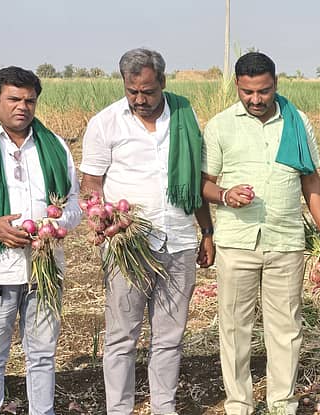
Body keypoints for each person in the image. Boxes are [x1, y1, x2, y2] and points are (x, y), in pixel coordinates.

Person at [200, 51, 320, 415]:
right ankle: (239, 404)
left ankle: (282, 403)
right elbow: (205, 184)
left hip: (286, 240)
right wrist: (226, 196)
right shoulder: (219, 126)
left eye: (263, 91)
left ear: (275, 84)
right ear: (237, 86)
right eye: (247, 92)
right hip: (236, 242)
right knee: (234, 330)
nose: (256, 100)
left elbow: (310, 179)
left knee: (286, 329)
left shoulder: (296, 123)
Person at [79, 48, 215, 415]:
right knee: (122, 336)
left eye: (148, 92)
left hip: (179, 241)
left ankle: (163, 407)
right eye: (132, 91)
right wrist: (98, 215)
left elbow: (193, 179)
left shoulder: (184, 116)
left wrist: (206, 231)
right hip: (129, 243)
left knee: (169, 337)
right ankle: (119, 409)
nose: (140, 99)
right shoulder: (105, 122)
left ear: (164, 83)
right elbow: (91, 183)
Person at [0, 66, 81, 415]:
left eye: (30, 100)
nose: (22, 106)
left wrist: (54, 226)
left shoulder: (55, 145)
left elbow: (74, 203)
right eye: (14, 99)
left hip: (45, 269)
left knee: (42, 353)